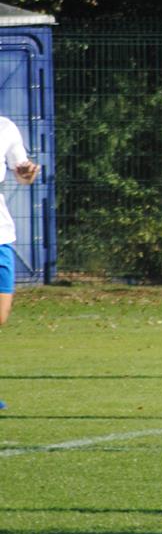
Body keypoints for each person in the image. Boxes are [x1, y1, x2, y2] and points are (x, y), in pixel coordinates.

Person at [0, 113, 41, 412]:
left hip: (1, 235)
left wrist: (27, 171)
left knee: (1, 315)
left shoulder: (5, 127)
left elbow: (22, 174)